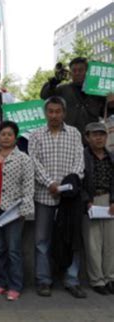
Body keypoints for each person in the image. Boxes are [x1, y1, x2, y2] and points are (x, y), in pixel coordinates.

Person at [28, 96, 85, 298]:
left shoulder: (75, 134)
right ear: (45, 113)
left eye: (58, 111)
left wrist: (68, 184)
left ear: (64, 113)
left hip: (70, 198)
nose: (54, 115)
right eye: (50, 111)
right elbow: (33, 162)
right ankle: (44, 280)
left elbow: (79, 161)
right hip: (45, 195)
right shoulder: (35, 135)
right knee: (42, 240)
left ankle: (72, 280)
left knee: (72, 239)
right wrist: (50, 183)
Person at [0, 121, 34, 301]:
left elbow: (28, 186)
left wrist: (25, 208)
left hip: (13, 211)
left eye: (9, 134)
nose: (5, 137)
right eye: (2, 134)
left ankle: (15, 286)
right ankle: (1, 283)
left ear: (15, 137)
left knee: (14, 249)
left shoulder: (24, 158)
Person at [40, 57, 114, 138]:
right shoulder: (63, 89)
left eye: (81, 70)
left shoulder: (96, 91)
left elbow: (105, 114)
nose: (77, 73)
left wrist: (111, 104)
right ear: (71, 73)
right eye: (74, 71)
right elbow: (44, 95)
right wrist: (55, 81)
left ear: (87, 72)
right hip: (69, 137)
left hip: (91, 138)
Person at [81, 122, 114, 295]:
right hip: (91, 203)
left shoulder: (111, 157)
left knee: (110, 243)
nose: (99, 137)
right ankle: (97, 280)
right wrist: (87, 201)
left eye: (102, 134)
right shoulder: (82, 156)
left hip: (109, 202)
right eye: (95, 134)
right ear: (87, 137)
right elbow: (79, 182)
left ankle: (110, 277)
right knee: (93, 244)